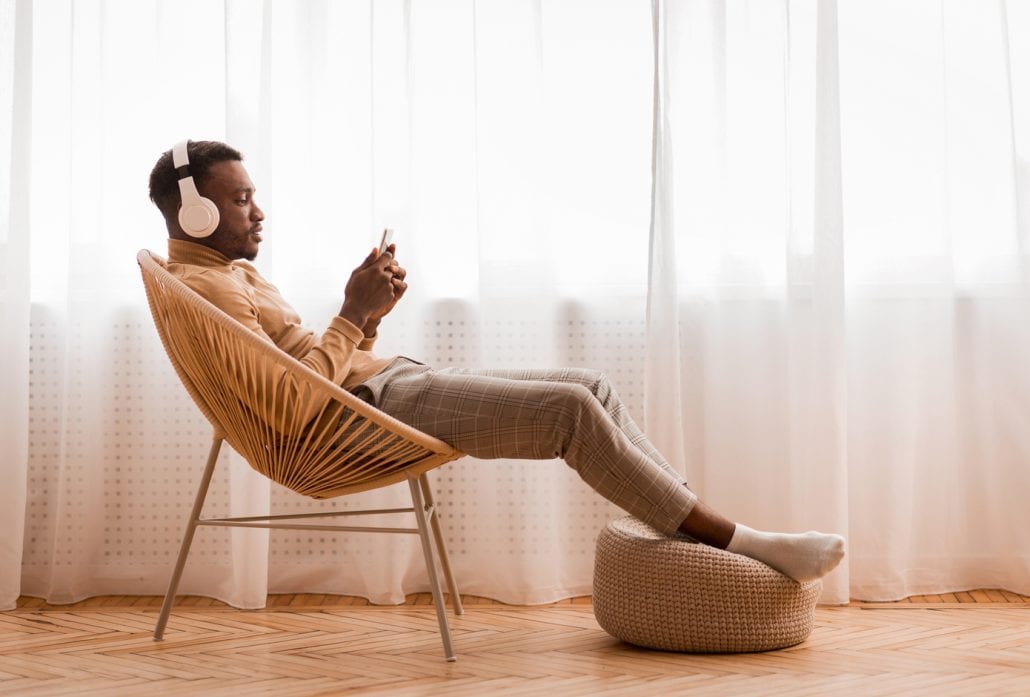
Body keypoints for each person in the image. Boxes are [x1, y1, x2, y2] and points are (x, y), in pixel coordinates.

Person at [148, 140, 845, 583]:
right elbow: (294, 403)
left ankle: (691, 529)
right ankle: (743, 543)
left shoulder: (222, 273)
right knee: (571, 412)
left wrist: (368, 317)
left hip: (381, 387)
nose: (258, 212)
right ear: (195, 211)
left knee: (590, 384)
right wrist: (352, 313)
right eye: (241, 199)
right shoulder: (208, 286)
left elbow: (305, 364)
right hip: (365, 415)